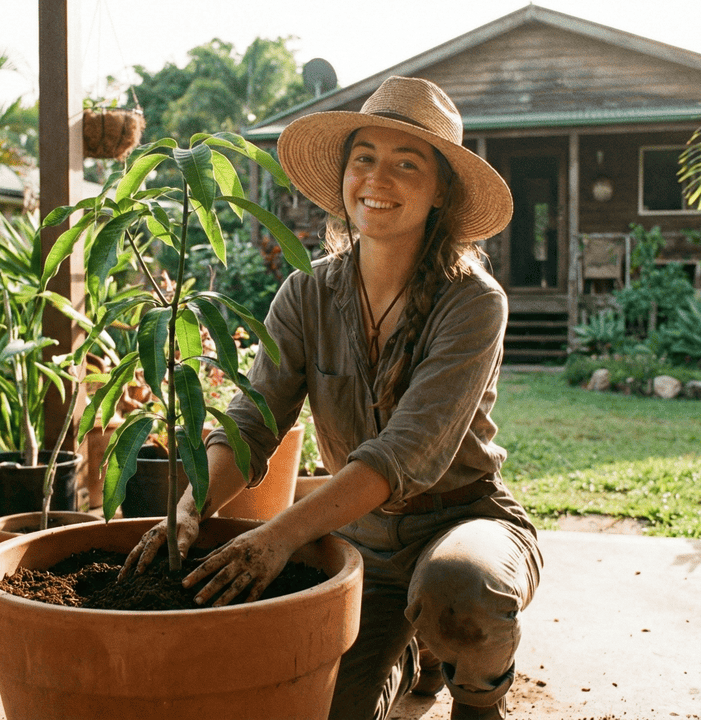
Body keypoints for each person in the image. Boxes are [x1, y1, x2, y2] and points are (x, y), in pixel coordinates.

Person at [122, 76, 543, 720]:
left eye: (408, 164)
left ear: (440, 195)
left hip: (465, 520)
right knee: (327, 709)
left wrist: (277, 537)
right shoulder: (305, 294)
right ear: (344, 177)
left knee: (458, 587)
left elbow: (406, 452)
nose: (379, 179)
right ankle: (416, 649)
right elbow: (253, 422)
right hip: (360, 543)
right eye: (364, 159)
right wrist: (190, 503)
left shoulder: (474, 302)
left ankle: (479, 693)